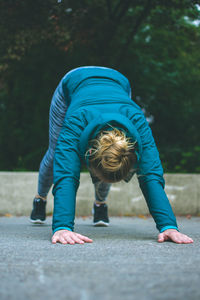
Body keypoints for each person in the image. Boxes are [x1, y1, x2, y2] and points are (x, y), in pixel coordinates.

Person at [30, 66, 193, 245]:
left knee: (110, 161)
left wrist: (168, 226)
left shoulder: (137, 122)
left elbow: (151, 175)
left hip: (119, 83)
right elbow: (66, 173)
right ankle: (40, 198)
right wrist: (62, 227)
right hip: (74, 82)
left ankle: (100, 204)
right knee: (56, 154)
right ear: (89, 153)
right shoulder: (75, 121)